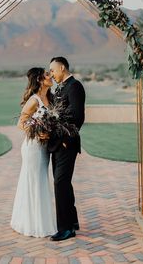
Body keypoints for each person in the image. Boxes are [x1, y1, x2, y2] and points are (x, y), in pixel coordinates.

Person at [10, 67, 57, 237]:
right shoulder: (34, 100)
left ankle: (39, 219)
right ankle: (33, 223)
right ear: (39, 79)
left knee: (41, 182)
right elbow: (21, 123)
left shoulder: (50, 98)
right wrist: (38, 132)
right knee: (34, 182)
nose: (50, 76)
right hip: (33, 148)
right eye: (46, 74)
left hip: (44, 149)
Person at [48, 57, 85, 241]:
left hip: (67, 144)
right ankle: (73, 219)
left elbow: (78, 117)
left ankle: (66, 228)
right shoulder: (59, 88)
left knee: (60, 183)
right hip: (56, 145)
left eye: (53, 70)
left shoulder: (75, 86)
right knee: (63, 182)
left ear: (62, 67)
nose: (52, 74)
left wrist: (64, 140)